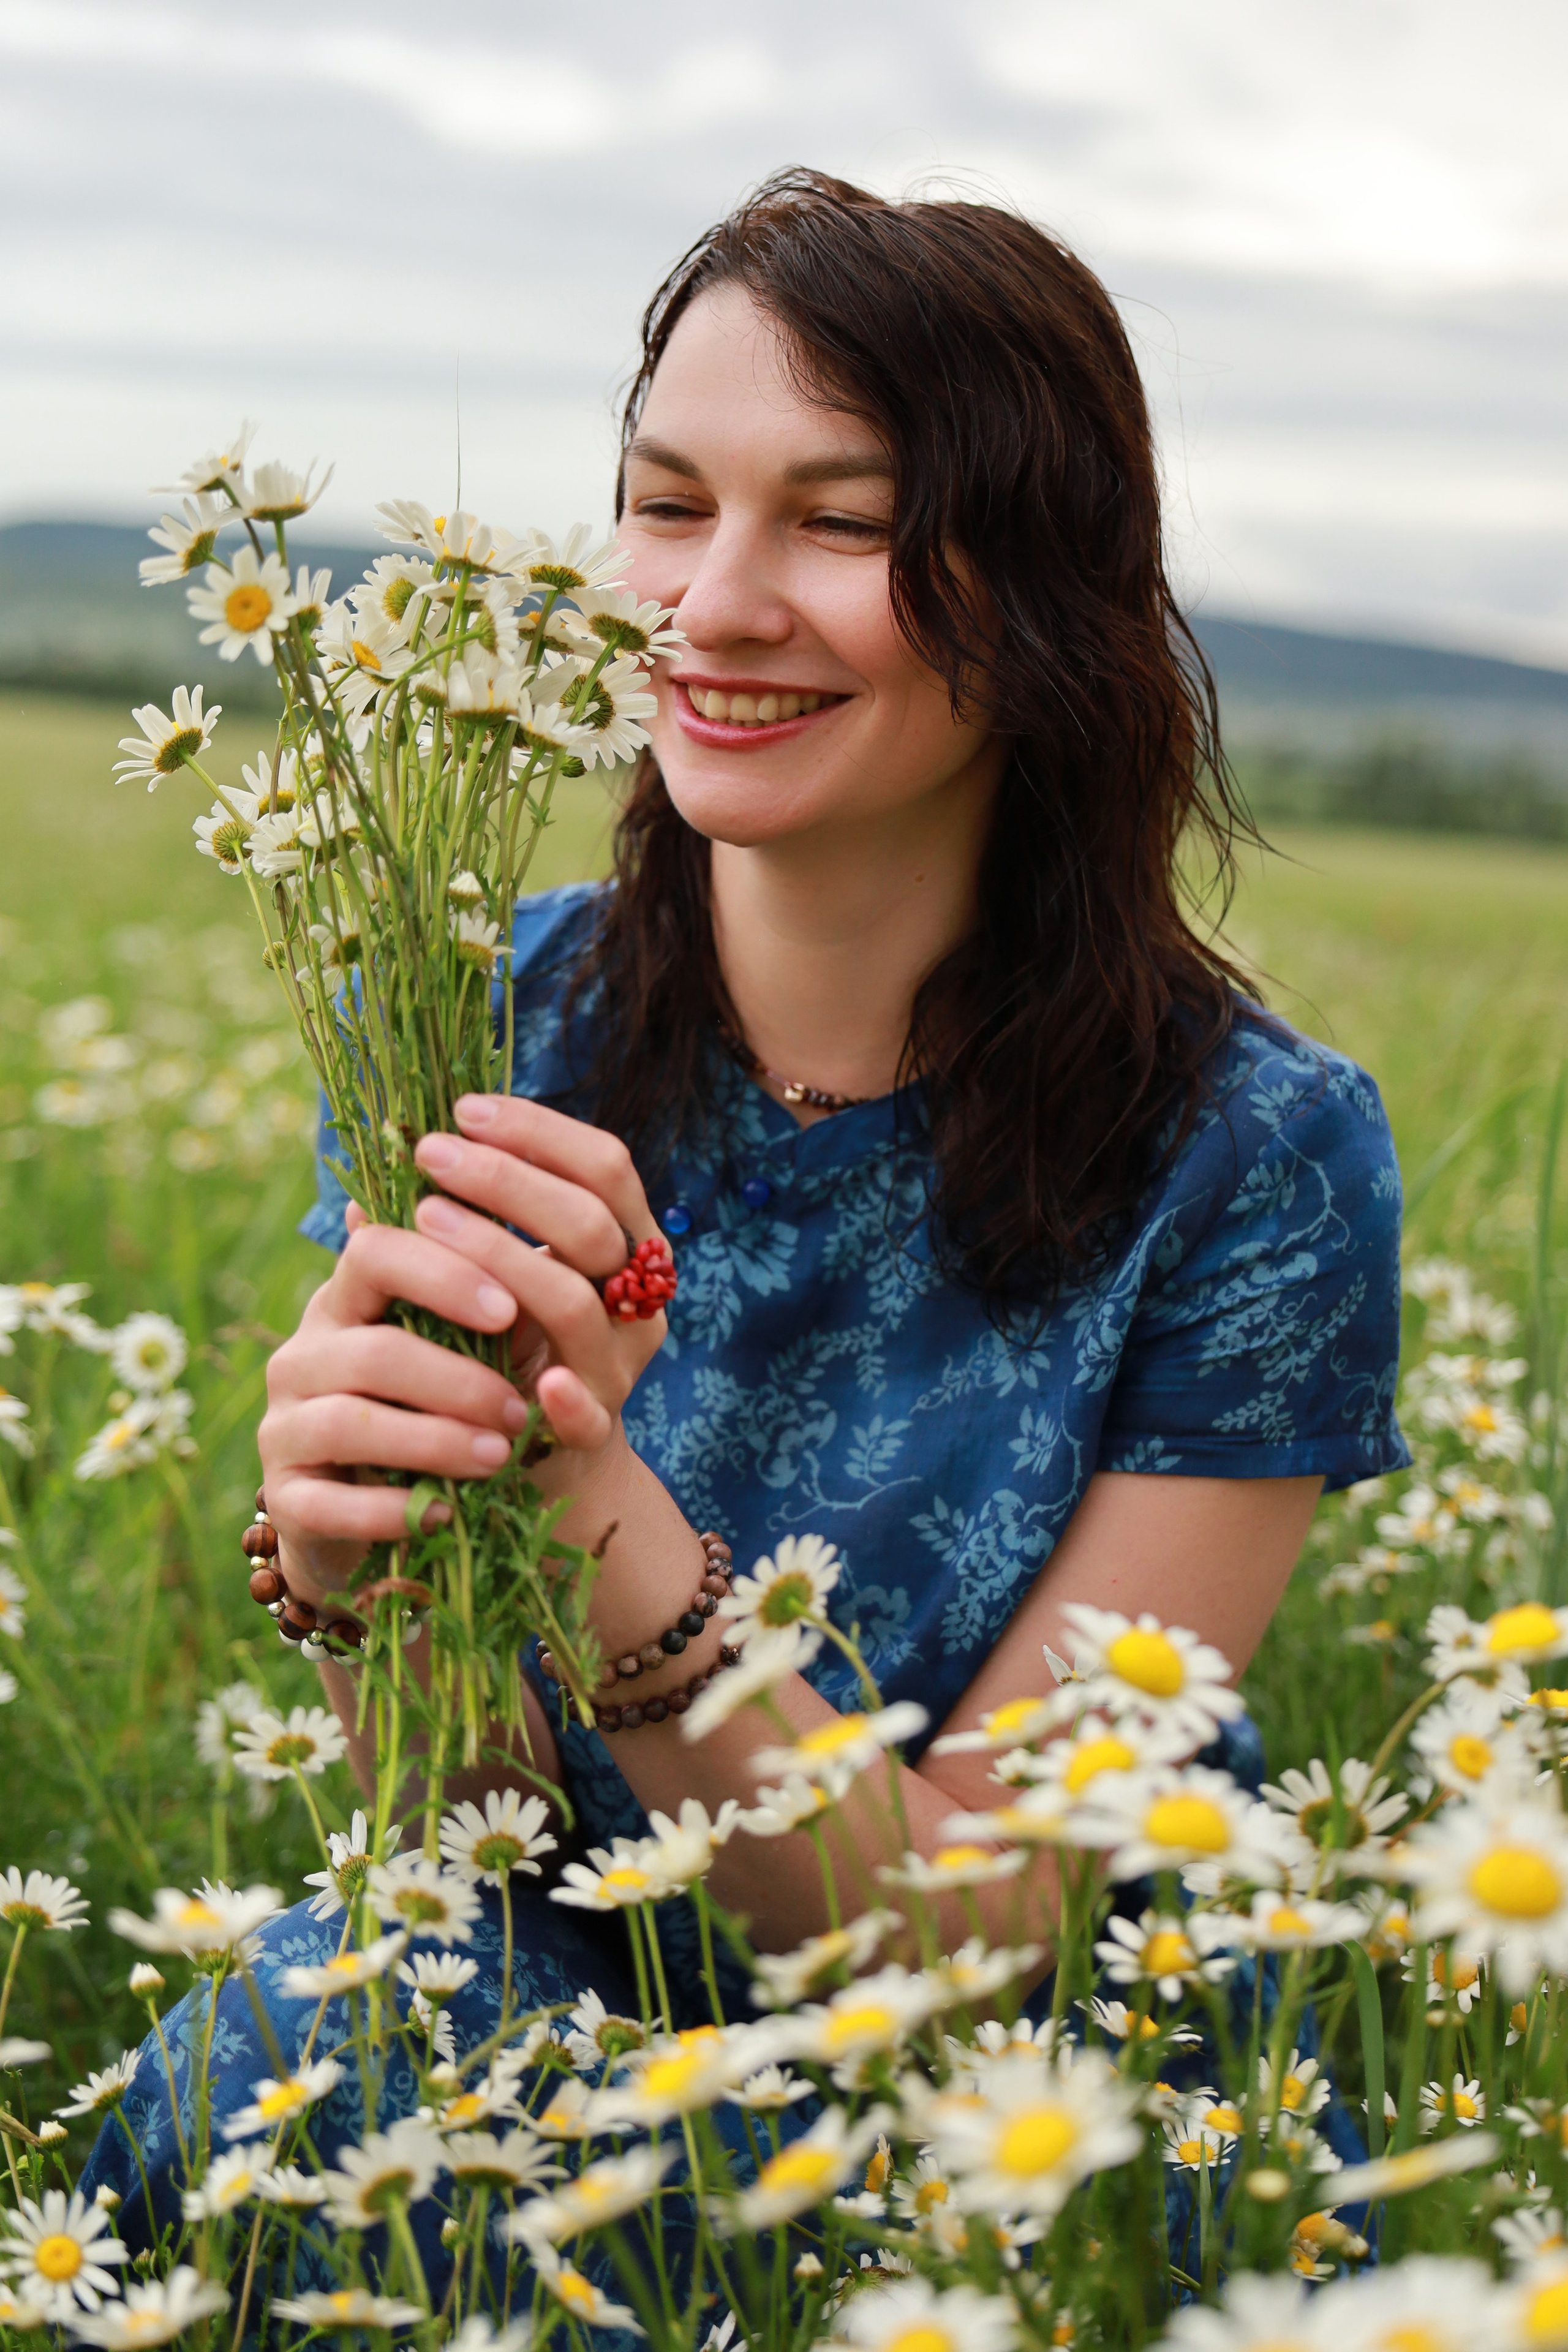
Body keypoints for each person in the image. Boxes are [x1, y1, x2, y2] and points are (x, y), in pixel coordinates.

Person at [86, 168, 1408, 2282]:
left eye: (848, 519)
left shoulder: (1255, 1159)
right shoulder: (466, 1011)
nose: (713, 603)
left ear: (1054, 579)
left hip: (1016, 2058)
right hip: (556, 1976)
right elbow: (457, 1835)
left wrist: (595, 1501)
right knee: (329, 2077)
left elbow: (984, 1931)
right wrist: (353, 1573)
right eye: (668, 502)